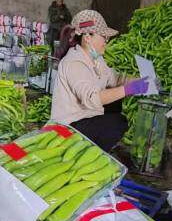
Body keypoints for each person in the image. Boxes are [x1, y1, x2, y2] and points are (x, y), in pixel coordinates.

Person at [50, 10, 149, 152]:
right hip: (68, 126)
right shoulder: (74, 63)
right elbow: (92, 97)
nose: (106, 41)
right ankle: (83, 153)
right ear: (87, 37)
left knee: (114, 102)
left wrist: (140, 81)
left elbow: (114, 78)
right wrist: (129, 89)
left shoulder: (96, 60)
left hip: (84, 117)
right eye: (103, 36)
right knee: (118, 123)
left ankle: (91, 146)